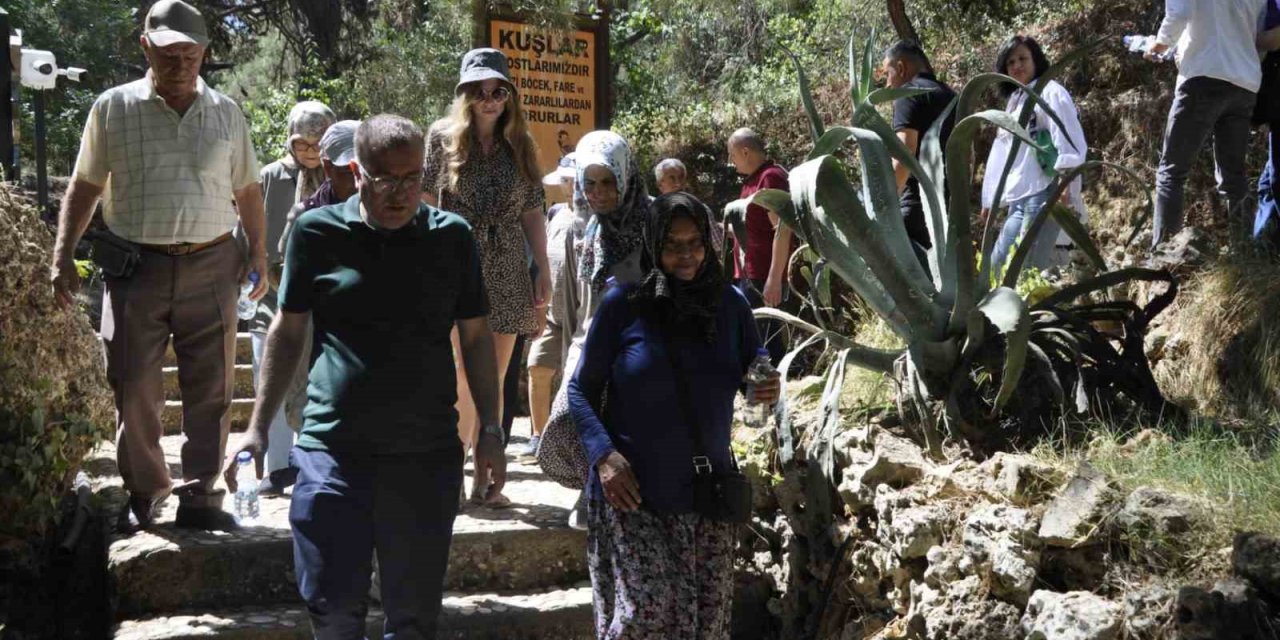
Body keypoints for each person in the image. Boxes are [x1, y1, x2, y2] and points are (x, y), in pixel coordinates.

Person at [223, 114, 506, 639]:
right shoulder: (317, 233)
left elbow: (474, 337)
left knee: (414, 619)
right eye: (385, 179)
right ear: (357, 171)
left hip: (424, 455)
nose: (400, 193)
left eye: (412, 178)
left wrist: (490, 427)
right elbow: (288, 331)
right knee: (331, 608)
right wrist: (258, 427)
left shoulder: (452, 238)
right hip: (333, 450)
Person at [49, 0, 265, 533]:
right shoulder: (112, 107)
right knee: (133, 385)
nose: (180, 63)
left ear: (204, 54)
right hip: (135, 268)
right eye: (168, 52)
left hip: (213, 262)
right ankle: (146, 492)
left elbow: (248, 189)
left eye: (190, 54)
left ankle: (199, 496)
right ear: (145, 46)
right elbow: (85, 185)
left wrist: (260, 252)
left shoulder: (227, 113)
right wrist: (62, 255)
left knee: (212, 387)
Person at [568, 192, 781, 639]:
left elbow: (754, 367)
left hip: (707, 493)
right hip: (635, 492)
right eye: (672, 244)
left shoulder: (730, 304)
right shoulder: (623, 305)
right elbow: (580, 390)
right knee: (645, 613)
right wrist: (604, 457)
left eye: (695, 243)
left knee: (704, 622)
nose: (686, 255)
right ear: (651, 244)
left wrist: (763, 385)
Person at [423, 48, 548, 507]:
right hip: (458, 264)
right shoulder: (442, 138)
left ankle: (486, 478)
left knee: (494, 378)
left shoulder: (522, 143)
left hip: (510, 267)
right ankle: (449, 472)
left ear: (509, 95)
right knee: (460, 374)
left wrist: (543, 269)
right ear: (466, 94)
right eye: (480, 90)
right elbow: (424, 202)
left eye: (498, 90)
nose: (490, 98)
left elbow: (534, 210)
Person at [541, 130, 652, 530]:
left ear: (625, 177)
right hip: (591, 342)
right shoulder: (579, 229)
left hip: (642, 344)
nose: (598, 193)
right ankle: (590, 493)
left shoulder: (653, 222)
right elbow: (574, 301)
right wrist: (576, 350)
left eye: (608, 182)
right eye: (589, 183)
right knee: (574, 419)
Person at [236, 100, 334, 497]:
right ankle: (277, 468)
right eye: (302, 143)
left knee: (317, 382)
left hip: (323, 300)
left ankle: (312, 461)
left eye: (318, 143)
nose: (310, 151)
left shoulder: (341, 175)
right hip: (271, 297)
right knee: (269, 378)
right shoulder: (270, 177)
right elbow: (249, 231)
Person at [1148, 0, 1269, 249]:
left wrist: (1157, 46)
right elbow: (1260, 36)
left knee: (1172, 171)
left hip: (1203, 76)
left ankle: (1164, 254)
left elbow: (1179, 14)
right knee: (1233, 177)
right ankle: (1243, 253)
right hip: (1244, 83)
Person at [981, 35, 1089, 274]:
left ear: (1036, 60)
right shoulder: (1015, 101)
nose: (1017, 65)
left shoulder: (1050, 92)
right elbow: (1001, 151)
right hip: (1019, 194)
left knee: (1026, 267)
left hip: (1045, 189)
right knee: (997, 265)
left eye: (1023, 58)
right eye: (1011, 62)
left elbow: (1068, 137)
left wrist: (1065, 182)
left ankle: (1027, 310)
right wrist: (989, 198)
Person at [523, 154, 581, 459]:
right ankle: (539, 436)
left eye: (572, 180)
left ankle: (573, 441)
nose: (569, 186)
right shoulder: (556, 213)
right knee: (537, 367)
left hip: (582, 316)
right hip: (552, 313)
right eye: (566, 181)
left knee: (576, 380)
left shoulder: (591, 219)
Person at [882, 41, 957, 257]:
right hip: (950, 208)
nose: (887, 84)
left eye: (888, 73)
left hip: (915, 207)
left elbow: (904, 153)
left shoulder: (907, 95)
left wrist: (886, 205)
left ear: (901, 68)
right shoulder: (951, 96)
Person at [727, 128, 793, 363]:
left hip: (764, 276)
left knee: (766, 340)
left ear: (745, 152)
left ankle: (775, 390)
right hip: (747, 273)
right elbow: (750, 226)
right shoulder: (750, 182)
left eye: (732, 155)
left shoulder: (770, 177)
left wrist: (775, 279)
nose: (731, 162)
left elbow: (783, 230)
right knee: (754, 336)